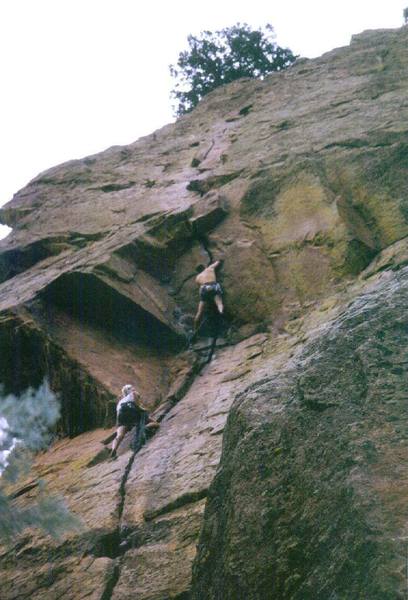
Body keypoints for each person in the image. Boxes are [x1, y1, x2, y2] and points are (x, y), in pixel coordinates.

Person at [110, 384, 159, 459]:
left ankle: (114, 449)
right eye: (132, 388)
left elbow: (119, 414)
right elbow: (136, 405)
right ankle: (145, 428)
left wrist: (121, 424)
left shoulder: (120, 402)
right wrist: (143, 410)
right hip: (132, 411)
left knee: (119, 435)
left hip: (121, 415)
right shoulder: (134, 393)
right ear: (130, 390)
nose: (134, 389)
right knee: (155, 423)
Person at [193, 260, 224, 334]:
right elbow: (218, 262)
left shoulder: (197, 278)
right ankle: (221, 311)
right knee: (219, 302)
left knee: (200, 311)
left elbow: (199, 285)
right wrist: (219, 260)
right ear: (204, 267)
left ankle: (195, 328)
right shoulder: (210, 268)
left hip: (204, 288)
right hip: (213, 285)